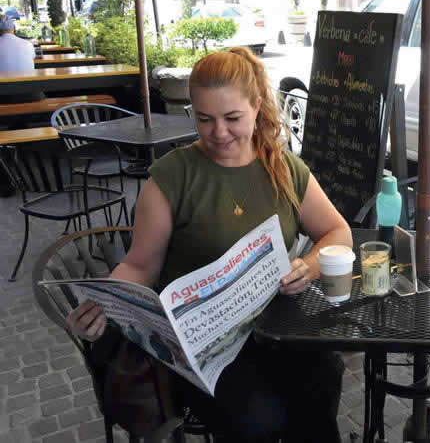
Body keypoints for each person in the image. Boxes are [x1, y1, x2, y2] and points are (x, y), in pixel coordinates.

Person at [66, 47, 353, 442]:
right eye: (204, 119)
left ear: (256, 107)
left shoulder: (283, 167)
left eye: (232, 118)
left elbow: (338, 232)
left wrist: (311, 265)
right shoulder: (173, 175)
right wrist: (105, 304)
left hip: (275, 327)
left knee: (322, 380)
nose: (219, 133)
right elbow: (139, 266)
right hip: (204, 346)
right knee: (258, 421)